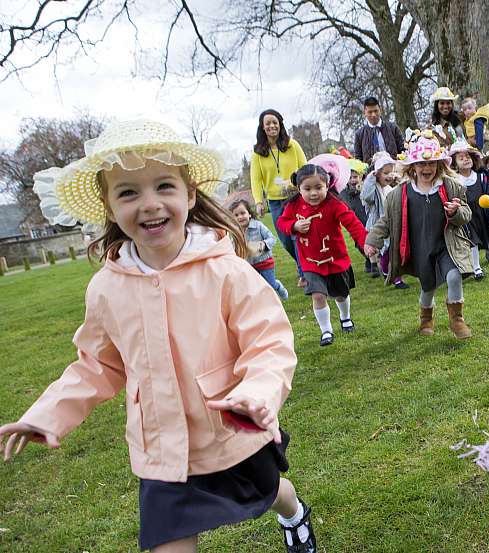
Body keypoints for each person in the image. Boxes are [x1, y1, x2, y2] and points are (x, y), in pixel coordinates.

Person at [2, 120, 317, 553]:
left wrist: (257, 392)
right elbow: (97, 364)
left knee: (270, 492)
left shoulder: (225, 271)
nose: (149, 204)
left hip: (230, 431)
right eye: (128, 192)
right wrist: (47, 414)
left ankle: (293, 512)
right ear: (109, 207)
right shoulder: (106, 289)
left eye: (164, 187)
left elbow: (268, 341)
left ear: (189, 195)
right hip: (162, 450)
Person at [365, 131, 474, 339]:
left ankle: (456, 319)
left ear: (440, 165)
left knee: (454, 276)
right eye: (422, 164)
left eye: (432, 163)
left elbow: (466, 213)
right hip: (419, 249)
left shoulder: (451, 188)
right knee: (428, 287)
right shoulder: (400, 194)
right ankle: (426, 319)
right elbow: (386, 221)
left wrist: (455, 212)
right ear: (412, 166)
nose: (427, 168)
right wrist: (372, 241)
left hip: (446, 246)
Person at [277, 164, 368, 346]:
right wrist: (294, 226)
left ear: (327, 186)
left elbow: (352, 222)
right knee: (318, 295)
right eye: (307, 189)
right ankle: (326, 330)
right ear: (299, 188)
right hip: (311, 262)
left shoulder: (334, 204)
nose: (313, 193)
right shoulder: (294, 205)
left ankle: (345, 317)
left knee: (341, 294)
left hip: (336, 259)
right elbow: (282, 222)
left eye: (318, 188)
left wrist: (365, 242)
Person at [250, 109, 309, 287]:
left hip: (295, 197)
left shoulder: (293, 145)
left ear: (280, 124)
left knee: (296, 235)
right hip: (275, 201)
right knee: (285, 238)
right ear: (262, 127)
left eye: (274, 122)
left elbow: (304, 167)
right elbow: (256, 179)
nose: (271, 126)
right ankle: (303, 266)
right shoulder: (258, 153)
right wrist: (259, 201)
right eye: (267, 123)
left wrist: (304, 188)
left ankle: (304, 272)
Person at [449, 140, 489, 280]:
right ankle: (476, 268)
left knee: (483, 238)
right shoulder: (455, 180)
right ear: (454, 163)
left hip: (481, 214)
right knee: (472, 241)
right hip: (465, 216)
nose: (465, 160)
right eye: (461, 158)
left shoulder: (481, 176)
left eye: (468, 157)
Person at [360, 152, 409, 288]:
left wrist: (398, 179)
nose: (389, 176)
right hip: (378, 226)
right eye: (385, 173)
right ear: (377, 174)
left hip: (392, 224)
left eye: (391, 172)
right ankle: (391, 274)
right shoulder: (373, 189)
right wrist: (370, 178)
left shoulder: (388, 188)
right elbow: (366, 196)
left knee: (394, 250)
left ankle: (394, 274)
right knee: (386, 252)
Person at [230, 198, 290, 301]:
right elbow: (233, 247)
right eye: (236, 215)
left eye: (242, 213)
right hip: (249, 264)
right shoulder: (235, 232)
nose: (240, 217)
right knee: (255, 286)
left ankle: (278, 287)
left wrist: (264, 244)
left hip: (265, 261)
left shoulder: (258, 226)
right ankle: (264, 303)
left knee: (270, 284)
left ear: (249, 214)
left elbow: (272, 238)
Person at [341, 158, 373, 274]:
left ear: (361, 177)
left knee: (371, 241)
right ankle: (368, 259)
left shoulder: (365, 189)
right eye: (350, 177)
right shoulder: (343, 192)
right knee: (359, 244)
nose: (352, 180)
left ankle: (372, 262)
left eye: (355, 177)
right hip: (354, 222)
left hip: (368, 221)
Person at [353, 97, 405, 164]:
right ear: (364, 113)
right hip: (371, 173)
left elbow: (402, 151)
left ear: (380, 110)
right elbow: (358, 160)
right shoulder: (359, 134)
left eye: (376, 111)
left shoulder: (393, 128)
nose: (373, 115)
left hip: (393, 170)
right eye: (370, 112)